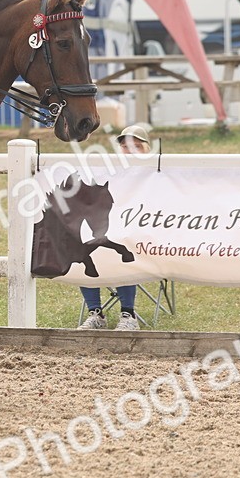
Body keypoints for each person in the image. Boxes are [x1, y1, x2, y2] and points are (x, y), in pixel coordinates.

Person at [78, 124, 152, 331]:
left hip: (140, 231)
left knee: (122, 243)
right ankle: (95, 312)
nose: (131, 151)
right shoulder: (107, 172)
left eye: (138, 146)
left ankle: (128, 314)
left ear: (148, 148)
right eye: (127, 147)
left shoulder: (156, 173)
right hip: (109, 228)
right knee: (81, 246)